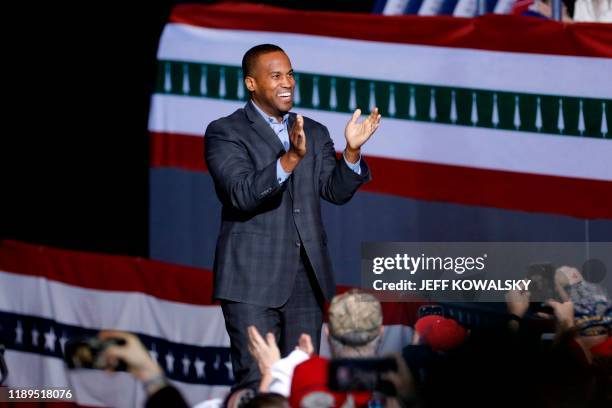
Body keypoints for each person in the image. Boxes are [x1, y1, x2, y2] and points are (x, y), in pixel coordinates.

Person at [204, 44, 381, 390]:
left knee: (304, 382)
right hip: (251, 282)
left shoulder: (312, 131)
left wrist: (352, 152)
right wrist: (289, 160)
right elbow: (240, 194)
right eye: (276, 76)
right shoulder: (226, 131)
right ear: (252, 84)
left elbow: (336, 191)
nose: (287, 82)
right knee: (260, 381)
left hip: (306, 282)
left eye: (290, 74)